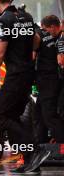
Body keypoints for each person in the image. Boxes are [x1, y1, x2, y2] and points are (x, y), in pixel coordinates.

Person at [0, 0, 50, 173]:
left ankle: (35, 149)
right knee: (13, 117)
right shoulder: (26, 16)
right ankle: (30, 159)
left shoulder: (3, 20)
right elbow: (36, 41)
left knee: (1, 117)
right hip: (28, 73)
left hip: (15, 76)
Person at [32, 16, 64, 151]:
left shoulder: (59, 38)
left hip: (50, 80)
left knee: (49, 114)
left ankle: (62, 142)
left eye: (46, 29)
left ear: (52, 26)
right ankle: (41, 141)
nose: (46, 32)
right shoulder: (56, 37)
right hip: (47, 80)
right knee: (38, 112)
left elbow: (61, 61)